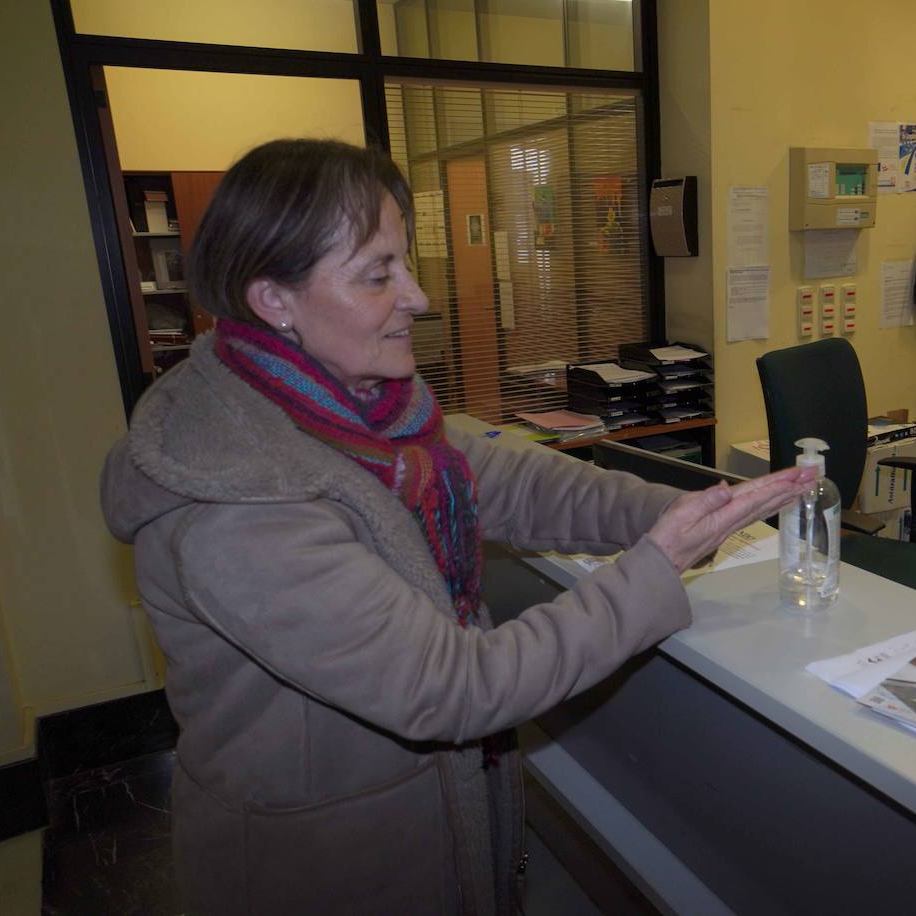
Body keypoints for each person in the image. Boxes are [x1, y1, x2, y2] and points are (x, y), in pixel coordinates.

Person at [100, 138, 814, 915]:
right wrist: (655, 563)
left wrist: (681, 513)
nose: (416, 296)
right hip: (322, 870)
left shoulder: (364, 411)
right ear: (274, 300)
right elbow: (453, 687)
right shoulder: (234, 505)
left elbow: (509, 478)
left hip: (431, 825)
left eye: (405, 263)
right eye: (378, 274)